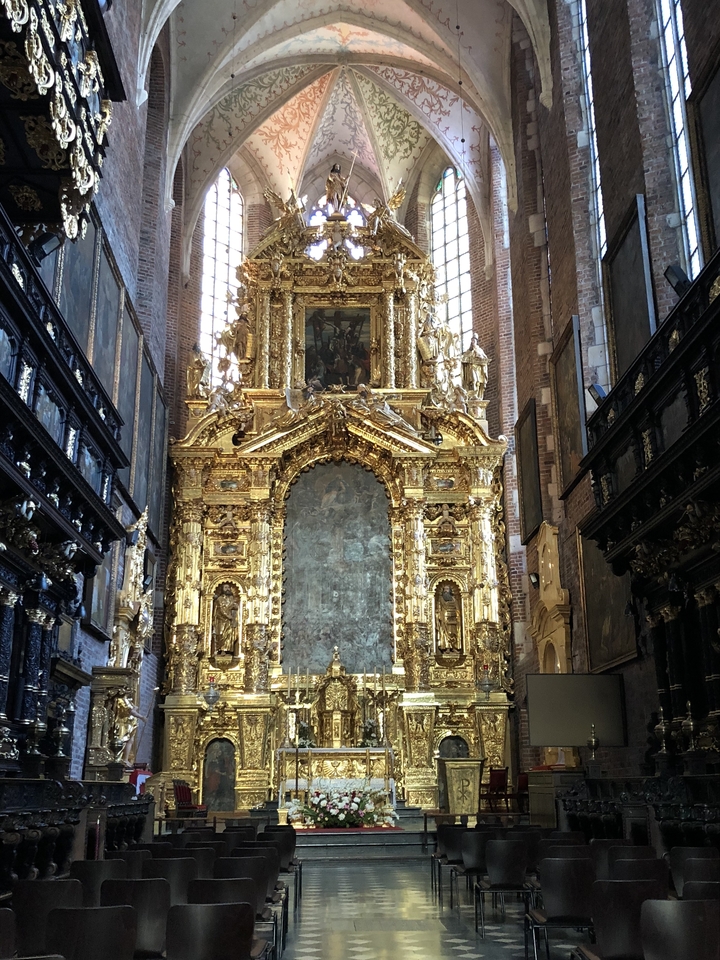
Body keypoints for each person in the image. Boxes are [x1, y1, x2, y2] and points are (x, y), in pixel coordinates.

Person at [212, 583, 239, 656]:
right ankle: (221, 649)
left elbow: (235, 607)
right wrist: (228, 616)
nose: (227, 589)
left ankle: (228, 650)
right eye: (225, 587)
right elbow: (221, 609)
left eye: (228, 587)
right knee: (221, 635)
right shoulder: (220, 599)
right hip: (221, 620)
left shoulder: (232, 599)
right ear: (222, 589)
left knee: (229, 635)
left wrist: (236, 606)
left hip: (230, 621)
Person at [461, 334, 490, 398]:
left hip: (478, 369)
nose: (473, 341)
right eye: (472, 340)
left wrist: (480, 356)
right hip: (471, 368)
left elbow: (485, 358)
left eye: (474, 340)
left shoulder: (480, 350)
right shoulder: (468, 351)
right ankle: (474, 394)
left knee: (478, 382)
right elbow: (464, 359)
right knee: (473, 380)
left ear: (476, 341)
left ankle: (478, 395)